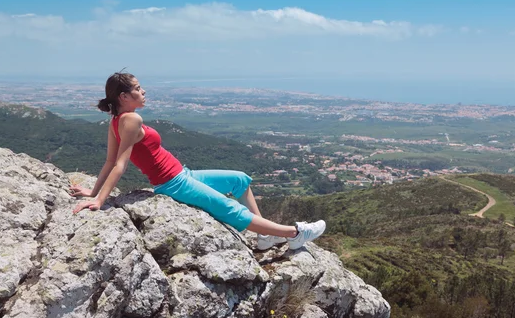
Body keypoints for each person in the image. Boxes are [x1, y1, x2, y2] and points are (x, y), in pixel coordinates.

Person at [70, 72, 325, 250]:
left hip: (183, 174)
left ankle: (265, 236)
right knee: (229, 208)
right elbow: (118, 164)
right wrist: (99, 200)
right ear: (123, 96)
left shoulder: (116, 120)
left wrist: (93, 192)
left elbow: (108, 161)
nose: (143, 91)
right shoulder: (131, 120)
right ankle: (295, 233)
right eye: (137, 88)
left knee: (239, 180)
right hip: (173, 184)